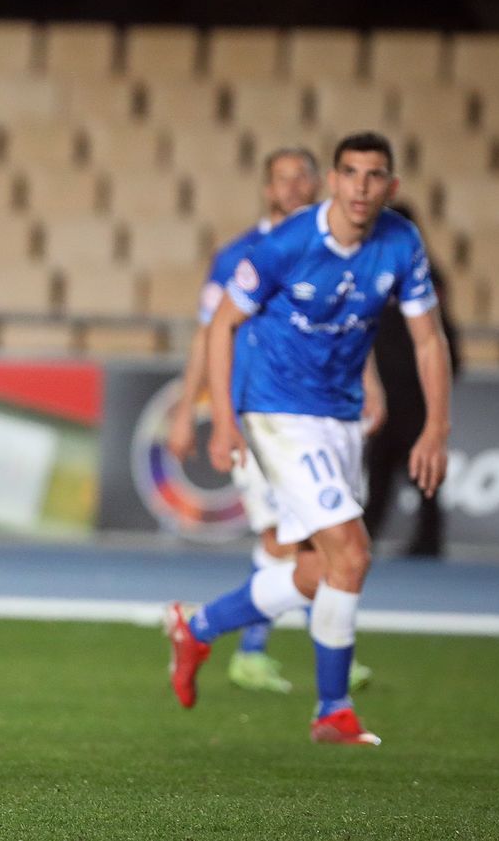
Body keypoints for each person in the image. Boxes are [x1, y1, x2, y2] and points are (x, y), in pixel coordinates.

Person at [164, 131, 452, 745]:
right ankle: (333, 709)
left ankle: (200, 628)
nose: (362, 186)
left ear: (390, 187)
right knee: (351, 554)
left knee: (321, 569)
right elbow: (220, 325)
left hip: (340, 415)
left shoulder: (401, 241)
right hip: (278, 411)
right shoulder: (284, 245)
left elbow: (427, 337)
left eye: (375, 175)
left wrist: (436, 424)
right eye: (351, 173)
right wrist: (222, 417)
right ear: (335, 182)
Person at [166, 147, 380, 695]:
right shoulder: (243, 253)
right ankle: (260, 653)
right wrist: (194, 410)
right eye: (281, 179)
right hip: (262, 418)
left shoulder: (336, 249)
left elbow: (350, 326)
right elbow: (209, 332)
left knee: (320, 551)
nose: (292, 186)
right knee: (288, 542)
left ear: (319, 183)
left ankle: (227, 631)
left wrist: (371, 384)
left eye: (301, 177)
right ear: (267, 189)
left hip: (325, 412)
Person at [363, 201, 462, 557]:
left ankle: (429, 538)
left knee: (422, 468)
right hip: (384, 389)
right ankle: (365, 536)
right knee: (378, 470)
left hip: (414, 391)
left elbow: (440, 333)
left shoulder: (427, 277)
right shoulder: (370, 270)